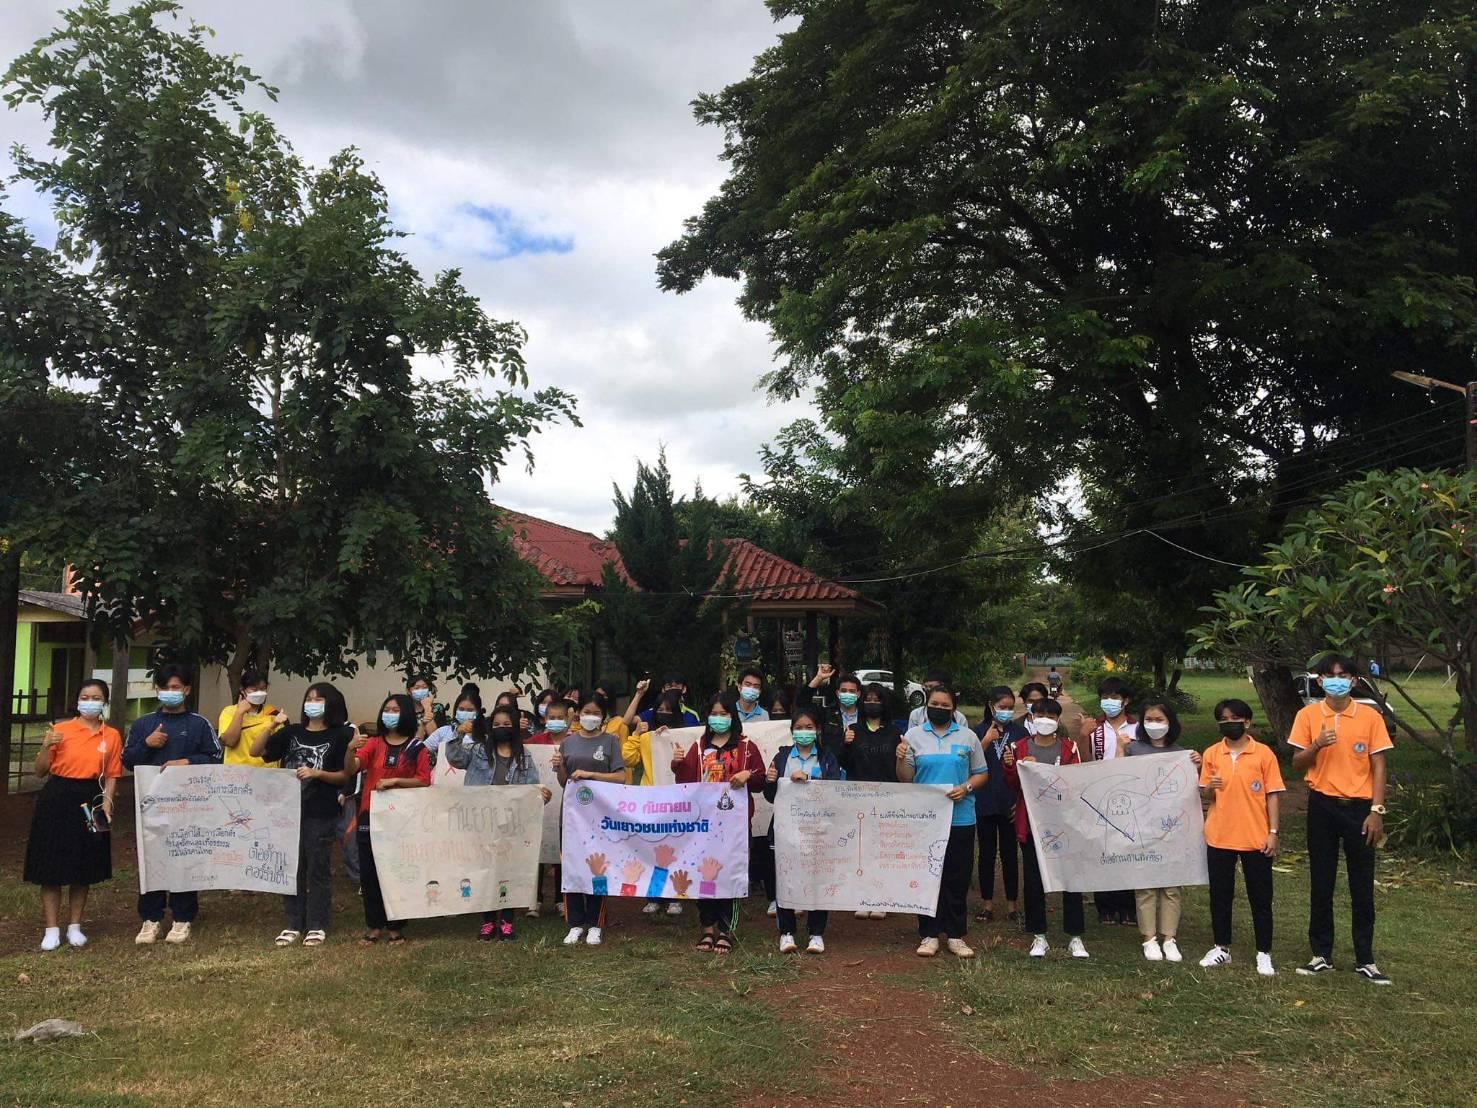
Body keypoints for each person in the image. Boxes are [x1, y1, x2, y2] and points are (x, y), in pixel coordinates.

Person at [1288, 654, 1393, 984]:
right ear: (1320, 681)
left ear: (1354, 681)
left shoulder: (1369, 716)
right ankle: (1321, 954)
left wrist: (1376, 811)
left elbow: (1379, 765)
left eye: (1343, 675)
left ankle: (1365, 959)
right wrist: (1317, 745)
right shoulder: (1307, 715)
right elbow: (1297, 763)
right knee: (1322, 882)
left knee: (1362, 885)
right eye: (1330, 675)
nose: (1337, 680)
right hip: (1322, 805)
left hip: (1360, 809)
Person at [123, 663, 221, 945]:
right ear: (157, 690)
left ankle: (183, 916)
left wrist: (187, 762)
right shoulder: (143, 724)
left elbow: (216, 758)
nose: (169, 692)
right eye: (164, 687)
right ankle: (151, 917)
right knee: (151, 859)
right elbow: (127, 760)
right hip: (150, 806)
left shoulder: (199, 724)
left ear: (187, 690)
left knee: (184, 857)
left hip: (188, 807)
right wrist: (147, 744)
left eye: (175, 687)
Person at [24, 678, 123, 951]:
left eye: (96, 698)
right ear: (77, 700)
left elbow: (113, 774)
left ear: (104, 702)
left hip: (92, 797)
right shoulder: (61, 729)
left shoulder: (111, 735)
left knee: (85, 862)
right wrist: (46, 745)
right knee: (51, 862)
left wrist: (107, 803)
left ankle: (75, 925)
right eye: (85, 697)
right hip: (58, 796)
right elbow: (40, 771)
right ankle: (51, 929)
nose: (90, 702)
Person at [254, 684, 355, 947]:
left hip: (321, 811)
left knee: (317, 867)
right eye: (309, 699)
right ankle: (294, 923)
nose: (312, 703)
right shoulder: (292, 732)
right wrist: (270, 725)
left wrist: (317, 773)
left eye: (319, 699)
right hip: (286, 811)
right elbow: (256, 752)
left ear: (331, 704)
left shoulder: (341, 734)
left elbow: (345, 775)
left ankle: (317, 924)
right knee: (290, 867)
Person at [444, 703, 553, 940]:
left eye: (506, 724)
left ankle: (507, 921)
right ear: (490, 727)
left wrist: (542, 796)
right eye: (496, 724)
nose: (501, 728)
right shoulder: (478, 751)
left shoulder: (524, 756)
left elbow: (532, 788)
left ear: (514, 727)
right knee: (485, 872)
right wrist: (458, 733)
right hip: (481, 823)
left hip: (511, 825)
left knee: (508, 872)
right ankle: (487, 921)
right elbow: (454, 758)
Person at [897, 684, 987, 958]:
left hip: (960, 818)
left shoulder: (968, 737)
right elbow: (905, 779)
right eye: (934, 704)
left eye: (945, 705)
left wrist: (966, 788)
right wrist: (900, 758)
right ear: (926, 706)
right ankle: (929, 933)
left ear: (953, 709)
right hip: (925, 820)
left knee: (957, 877)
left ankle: (956, 935)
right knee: (928, 876)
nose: (939, 709)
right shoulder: (912, 736)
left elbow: (981, 773)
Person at [672, 693, 766, 953]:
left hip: (735, 825)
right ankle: (707, 927)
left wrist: (747, 774)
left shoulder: (746, 747)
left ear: (732, 717)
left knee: (732, 873)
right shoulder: (699, 746)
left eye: (724, 714)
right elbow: (685, 783)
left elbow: (760, 779)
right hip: (704, 824)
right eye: (714, 714)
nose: (718, 718)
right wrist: (677, 764)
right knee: (705, 872)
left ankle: (726, 930)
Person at [1198, 699, 1283, 977]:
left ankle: (1263, 952)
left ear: (1246, 721)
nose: (1229, 723)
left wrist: (1273, 832)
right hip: (1219, 835)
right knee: (1220, 895)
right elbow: (1206, 794)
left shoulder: (1264, 754)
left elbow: (1272, 795)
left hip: (1255, 836)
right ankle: (1221, 947)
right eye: (1223, 719)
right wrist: (1209, 787)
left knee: (1261, 897)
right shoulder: (1212, 753)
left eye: (1234, 718)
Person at [1003, 698, 1089, 959]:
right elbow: (1013, 786)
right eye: (1040, 715)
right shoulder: (1019, 747)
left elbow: (1074, 783)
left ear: (1058, 720)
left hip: (1064, 824)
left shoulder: (1069, 748)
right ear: (1031, 717)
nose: (1045, 720)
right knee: (1033, 880)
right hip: (1032, 825)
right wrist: (1012, 766)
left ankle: (1075, 936)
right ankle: (1039, 935)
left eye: (1051, 716)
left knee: (1070, 878)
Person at [346, 693, 431, 944]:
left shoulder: (416, 748)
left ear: (405, 714)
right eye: (387, 709)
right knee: (369, 871)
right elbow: (352, 768)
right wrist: (350, 749)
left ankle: (396, 926)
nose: (389, 714)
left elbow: (424, 780)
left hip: (401, 819)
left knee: (398, 870)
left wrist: (395, 781)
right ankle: (374, 925)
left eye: (395, 710)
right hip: (370, 814)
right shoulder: (374, 743)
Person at [1123, 699, 1201, 962]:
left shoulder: (1182, 754)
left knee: (1171, 884)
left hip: (1172, 829)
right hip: (1142, 826)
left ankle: (1169, 938)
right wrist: (1121, 750)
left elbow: (1192, 789)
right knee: (1145, 884)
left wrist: (1198, 765)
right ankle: (1149, 938)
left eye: (1159, 720)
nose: (1154, 724)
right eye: (1149, 720)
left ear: (1170, 722)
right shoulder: (1133, 750)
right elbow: (1119, 780)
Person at [764, 708, 844, 953]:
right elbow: (770, 796)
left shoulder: (827, 757)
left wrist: (808, 779)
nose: (804, 732)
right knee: (785, 878)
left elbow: (835, 791)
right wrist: (770, 781)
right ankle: (786, 932)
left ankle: (816, 933)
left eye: (809, 727)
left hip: (818, 829)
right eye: (799, 728)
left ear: (817, 730)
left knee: (818, 878)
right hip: (786, 830)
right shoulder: (782, 757)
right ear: (791, 731)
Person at [553, 696, 627, 947]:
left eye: (596, 712)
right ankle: (575, 923)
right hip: (572, 816)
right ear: (578, 713)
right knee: (572, 865)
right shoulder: (568, 742)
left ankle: (595, 923)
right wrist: (560, 767)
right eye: (586, 711)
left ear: (603, 716)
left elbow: (621, 777)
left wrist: (591, 775)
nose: (590, 716)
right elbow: (564, 782)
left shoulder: (610, 741)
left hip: (600, 815)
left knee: (598, 866)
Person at [620, 680, 686, 917]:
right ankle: (654, 896)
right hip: (650, 800)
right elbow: (628, 759)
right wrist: (637, 735)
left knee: (675, 850)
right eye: (660, 710)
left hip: (677, 800)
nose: (663, 714)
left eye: (668, 710)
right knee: (652, 850)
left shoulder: (684, 736)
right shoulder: (647, 737)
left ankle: (675, 897)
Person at [838, 682, 901, 921]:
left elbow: (899, 767)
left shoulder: (894, 733)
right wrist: (845, 744)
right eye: (868, 699)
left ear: (884, 703)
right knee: (861, 850)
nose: (872, 704)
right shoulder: (853, 730)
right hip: (859, 798)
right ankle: (862, 897)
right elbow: (843, 763)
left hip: (886, 800)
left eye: (877, 700)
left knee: (882, 849)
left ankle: (881, 897)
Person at [1080, 676, 1137, 925]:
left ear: (1126, 701)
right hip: (1100, 796)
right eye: (1105, 697)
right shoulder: (1095, 729)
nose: (1109, 702)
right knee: (1102, 850)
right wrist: (1083, 736)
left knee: (1128, 850)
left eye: (1115, 697)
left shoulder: (1138, 729)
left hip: (1130, 797)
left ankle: (1128, 906)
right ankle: (1105, 906)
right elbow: (1084, 762)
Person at [973, 685, 1023, 925]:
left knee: (1010, 854)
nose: (1006, 711)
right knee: (986, 854)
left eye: (1010, 708)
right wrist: (985, 741)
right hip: (984, 801)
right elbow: (968, 763)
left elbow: (1025, 769)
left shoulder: (1020, 732)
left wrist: (1020, 800)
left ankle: (1012, 905)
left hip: (1009, 802)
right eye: (1002, 707)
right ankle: (987, 904)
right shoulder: (977, 731)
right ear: (991, 706)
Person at [526, 697, 574, 917]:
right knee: (536, 849)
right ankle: (533, 899)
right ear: (545, 719)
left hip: (566, 801)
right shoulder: (535, 741)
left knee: (562, 850)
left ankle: (560, 899)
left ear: (567, 719)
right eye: (551, 717)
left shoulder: (574, 742)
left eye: (559, 718)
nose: (555, 721)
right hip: (540, 801)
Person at [217, 669, 283, 767]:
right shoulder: (229, 712)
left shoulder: (273, 714)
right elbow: (229, 742)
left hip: (266, 772)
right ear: (242, 690)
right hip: (237, 771)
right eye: (254, 689)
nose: (259, 693)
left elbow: (279, 748)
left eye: (263, 689)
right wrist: (240, 713)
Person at [426, 685, 483, 762]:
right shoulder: (444, 731)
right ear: (456, 710)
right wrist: (457, 732)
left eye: (470, 710)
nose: (465, 713)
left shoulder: (484, 736)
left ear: (477, 712)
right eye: (461, 709)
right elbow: (422, 749)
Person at [408, 675, 441, 740]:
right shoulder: (405, 710)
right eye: (417, 688)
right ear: (408, 691)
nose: (421, 690)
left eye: (424, 687)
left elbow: (434, 737)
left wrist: (427, 708)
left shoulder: (437, 708)